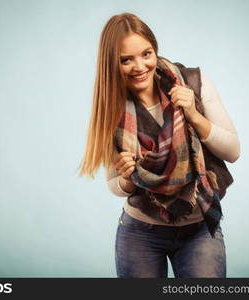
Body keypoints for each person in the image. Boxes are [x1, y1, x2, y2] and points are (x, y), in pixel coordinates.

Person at [78, 12, 240, 278]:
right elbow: (116, 185)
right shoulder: (110, 109)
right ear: (112, 64)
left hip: (199, 230)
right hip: (140, 234)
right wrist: (128, 179)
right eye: (126, 60)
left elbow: (233, 151)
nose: (140, 66)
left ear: (155, 50)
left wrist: (194, 115)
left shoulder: (193, 82)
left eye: (146, 53)